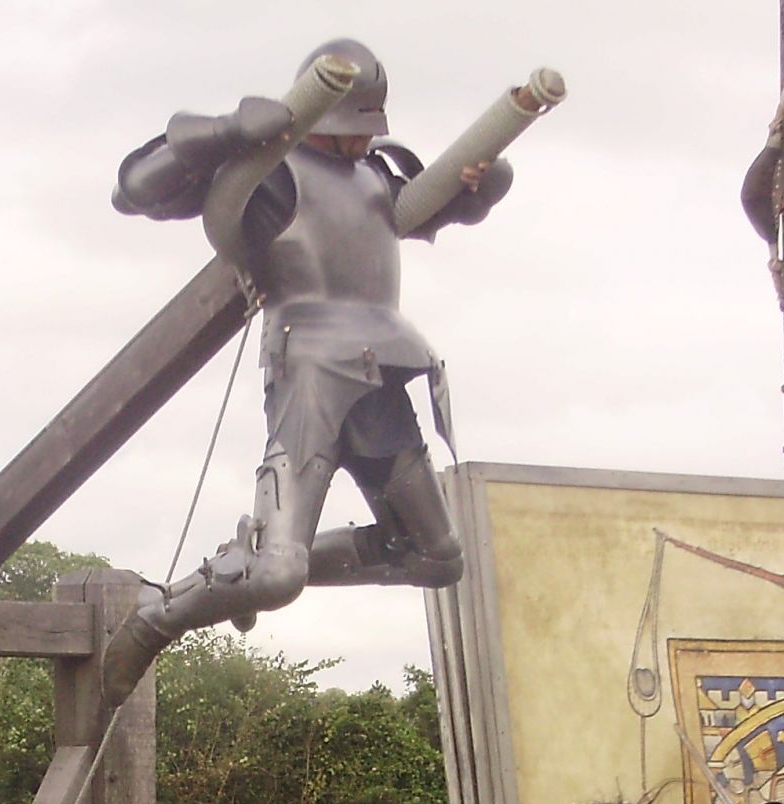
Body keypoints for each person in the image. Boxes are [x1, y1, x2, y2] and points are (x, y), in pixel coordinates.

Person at [99, 38, 512, 698]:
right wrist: (227, 132)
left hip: (385, 367)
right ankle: (159, 617)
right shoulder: (269, 172)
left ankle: (247, 562)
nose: (357, 144)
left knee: (437, 557)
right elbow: (134, 189)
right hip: (311, 370)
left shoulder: (377, 174)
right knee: (276, 580)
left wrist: (479, 187)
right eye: (349, 130)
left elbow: (436, 208)